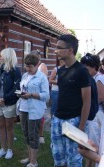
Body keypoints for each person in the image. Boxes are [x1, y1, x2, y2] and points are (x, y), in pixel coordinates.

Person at [51, 34, 91, 167]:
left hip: (73, 121)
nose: (55, 50)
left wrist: (81, 129)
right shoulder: (61, 71)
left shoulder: (82, 71)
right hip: (57, 119)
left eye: (59, 48)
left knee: (73, 161)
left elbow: (87, 102)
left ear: (70, 50)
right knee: (59, 160)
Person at [17, 51, 49, 167]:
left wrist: (31, 95)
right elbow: (23, 88)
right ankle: (30, 157)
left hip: (35, 110)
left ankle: (34, 161)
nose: (28, 69)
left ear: (36, 65)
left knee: (33, 135)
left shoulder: (42, 77)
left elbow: (46, 95)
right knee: (26, 133)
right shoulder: (25, 76)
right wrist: (20, 94)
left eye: (30, 66)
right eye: (26, 66)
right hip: (23, 107)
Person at [0, 48, 21, 159]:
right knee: (1, 126)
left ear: (8, 57)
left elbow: (16, 89)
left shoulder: (15, 71)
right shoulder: (0, 70)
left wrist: (3, 99)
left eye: (2, 55)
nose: (0, 57)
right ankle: (3, 148)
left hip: (9, 103)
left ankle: (10, 150)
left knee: (9, 126)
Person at [80, 53, 104, 167]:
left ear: (94, 67)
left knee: (93, 145)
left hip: (96, 116)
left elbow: (99, 97)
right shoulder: (90, 78)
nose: (84, 70)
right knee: (89, 144)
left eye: (86, 68)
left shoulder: (98, 78)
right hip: (91, 114)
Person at [37, 51, 48, 144]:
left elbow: (44, 80)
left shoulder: (42, 66)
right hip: (32, 95)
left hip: (40, 95)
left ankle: (41, 136)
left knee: (40, 116)